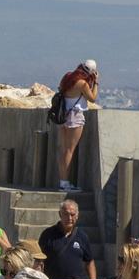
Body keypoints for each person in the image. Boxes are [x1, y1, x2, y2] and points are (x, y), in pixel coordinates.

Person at [54, 59, 98, 189]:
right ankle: (65, 183)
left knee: (63, 150)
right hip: (75, 116)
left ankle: (62, 182)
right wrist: (96, 82)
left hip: (62, 115)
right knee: (69, 150)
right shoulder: (82, 83)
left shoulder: (67, 77)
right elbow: (93, 98)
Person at [40, 199, 98, 279]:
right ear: (60, 214)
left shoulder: (82, 236)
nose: (69, 218)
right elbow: (39, 259)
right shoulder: (48, 234)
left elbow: (89, 260)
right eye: (66, 214)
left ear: (77, 215)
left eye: (72, 215)